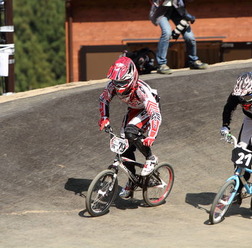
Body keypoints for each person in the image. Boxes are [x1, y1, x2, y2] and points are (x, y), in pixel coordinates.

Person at [98, 56, 162, 198]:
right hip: (133, 110)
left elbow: (155, 114)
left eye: (123, 82)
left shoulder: (141, 89)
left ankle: (151, 158)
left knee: (131, 132)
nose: (119, 87)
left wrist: (152, 135)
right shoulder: (112, 85)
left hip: (148, 111)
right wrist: (104, 118)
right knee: (124, 146)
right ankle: (132, 181)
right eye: (116, 82)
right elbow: (103, 99)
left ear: (132, 77)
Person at [149, 0, 208, 74]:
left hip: (178, 11)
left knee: (190, 37)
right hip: (161, 12)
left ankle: (193, 61)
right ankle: (161, 64)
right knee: (167, 33)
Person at [220, 72, 252, 204]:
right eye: (241, 97)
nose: (244, 99)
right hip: (250, 119)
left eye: (248, 96)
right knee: (241, 151)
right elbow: (228, 108)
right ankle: (237, 191)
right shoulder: (237, 94)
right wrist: (225, 126)